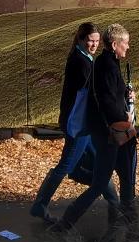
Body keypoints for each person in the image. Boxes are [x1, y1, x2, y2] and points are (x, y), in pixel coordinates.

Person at [30, 22, 119, 223]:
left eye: (97, 41)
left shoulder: (81, 58)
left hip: (80, 124)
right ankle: (40, 205)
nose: (94, 45)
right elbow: (94, 93)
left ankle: (115, 204)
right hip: (79, 126)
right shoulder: (82, 63)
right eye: (90, 41)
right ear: (80, 39)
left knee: (96, 164)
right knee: (68, 165)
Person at [54, 24, 137, 231]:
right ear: (115, 44)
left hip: (111, 133)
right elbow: (106, 101)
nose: (128, 47)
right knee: (110, 181)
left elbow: (110, 94)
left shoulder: (108, 63)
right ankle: (68, 222)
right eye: (125, 43)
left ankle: (128, 218)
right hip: (113, 134)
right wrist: (124, 117)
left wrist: (125, 95)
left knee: (118, 179)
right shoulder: (107, 66)